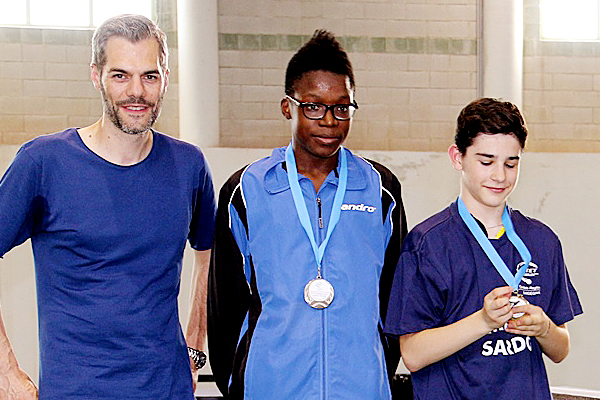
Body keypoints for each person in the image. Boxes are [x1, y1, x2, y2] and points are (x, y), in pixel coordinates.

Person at [0, 14, 216, 399]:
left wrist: (196, 340)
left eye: (150, 75)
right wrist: (7, 373)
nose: (137, 91)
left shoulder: (189, 166)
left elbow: (207, 249)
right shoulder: (43, 163)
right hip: (76, 391)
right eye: (121, 75)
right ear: (96, 75)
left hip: (167, 389)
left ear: (165, 76)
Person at [207, 30, 407, 399]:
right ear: (288, 107)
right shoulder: (245, 191)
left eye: (342, 107)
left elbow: (393, 295)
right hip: (270, 387)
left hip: (361, 388)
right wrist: (237, 381)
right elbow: (225, 306)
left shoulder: (381, 190)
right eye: (314, 106)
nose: (330, 121)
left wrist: (372, 369)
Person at [384, 98, 583, 399]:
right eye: (486, 161)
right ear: (457, 158)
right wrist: (484, 321)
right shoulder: (427, 244)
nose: (500, 175)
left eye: (511, 163)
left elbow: (561, 348)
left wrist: (544, 327)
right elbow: (412, 353)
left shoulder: (542, 241)